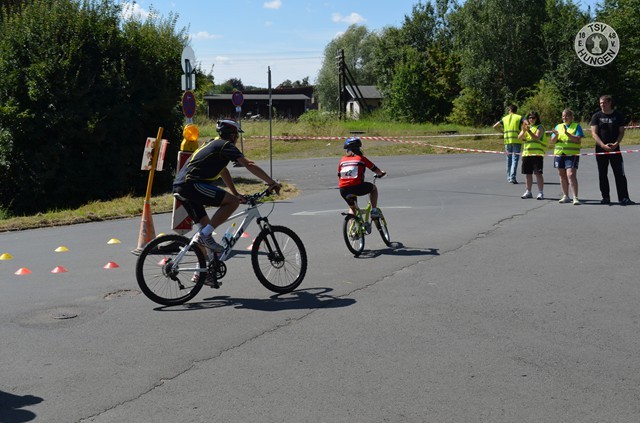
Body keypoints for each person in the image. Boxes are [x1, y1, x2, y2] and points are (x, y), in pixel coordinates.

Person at [173, 119, 281, 286]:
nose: (237, 138)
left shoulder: (213, 144)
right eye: (236, 135)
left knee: (205, 227)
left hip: (182, 187)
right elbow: (248, 164)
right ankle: (204, 236)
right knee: (231, 204)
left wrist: (235, 192)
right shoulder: (225, 145)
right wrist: (271, 182)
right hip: (191, 185)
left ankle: (201, 274)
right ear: (232, 135)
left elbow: (223, 170)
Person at [590, 95, 634, 205]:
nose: (602, 105)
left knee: (620, 173)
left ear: (610, 103)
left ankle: (624, 197)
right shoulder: (596, 116)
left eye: (604, 102)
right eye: (600, 103)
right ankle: (605, 197)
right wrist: (602, 145)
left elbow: (621, 132)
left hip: (615, 149)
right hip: (601, 149)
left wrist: (616, 144)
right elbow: (594, 133)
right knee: (602, 174)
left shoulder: (618, 115)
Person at [338, 137, 386, 217]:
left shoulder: (342, 160)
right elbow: (375, 170)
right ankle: (374, 211)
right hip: (357, 187)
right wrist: (381, 173)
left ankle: (351, 224)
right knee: (374, 188)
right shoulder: (361, 159)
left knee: (352, 209)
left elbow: (339, 175)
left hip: (343, 189)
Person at [551, 109, 584, 205]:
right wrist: (556, 135)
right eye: (563, 116)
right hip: (560, 153)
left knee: (571, 174)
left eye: (566, 116)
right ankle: (565, 196)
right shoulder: (558, 126)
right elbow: (553, 141)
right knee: (562, 174)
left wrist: (567, 133)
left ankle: (575, 197)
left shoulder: (576, 126)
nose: (564, 118)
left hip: (571, 154)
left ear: (571, 117)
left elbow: (577, 139)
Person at [517, 111, 547, 200]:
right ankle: (528, 191)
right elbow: (519, 137)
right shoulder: (527, 127)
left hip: (537, 154)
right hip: (527, 154)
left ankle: (540, 192)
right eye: (529, 117)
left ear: (537, 118)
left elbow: (536, 137)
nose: (531, 119)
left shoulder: (540, 127)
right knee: (528, 174)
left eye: (533, 117)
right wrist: (524, 130)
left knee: (538, 173)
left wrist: (529, 131)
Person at [493, 104, 524, 184]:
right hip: (516, 140)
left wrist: (502, 132)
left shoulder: (504, 118)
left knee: (508, 159)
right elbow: (527, 123)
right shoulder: (519, 117)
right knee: (515, 159)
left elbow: (495, 126)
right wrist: (523, 132)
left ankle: (509, 177)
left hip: (507, 140)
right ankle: (512, 177)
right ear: (516, 110)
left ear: (509, 110)